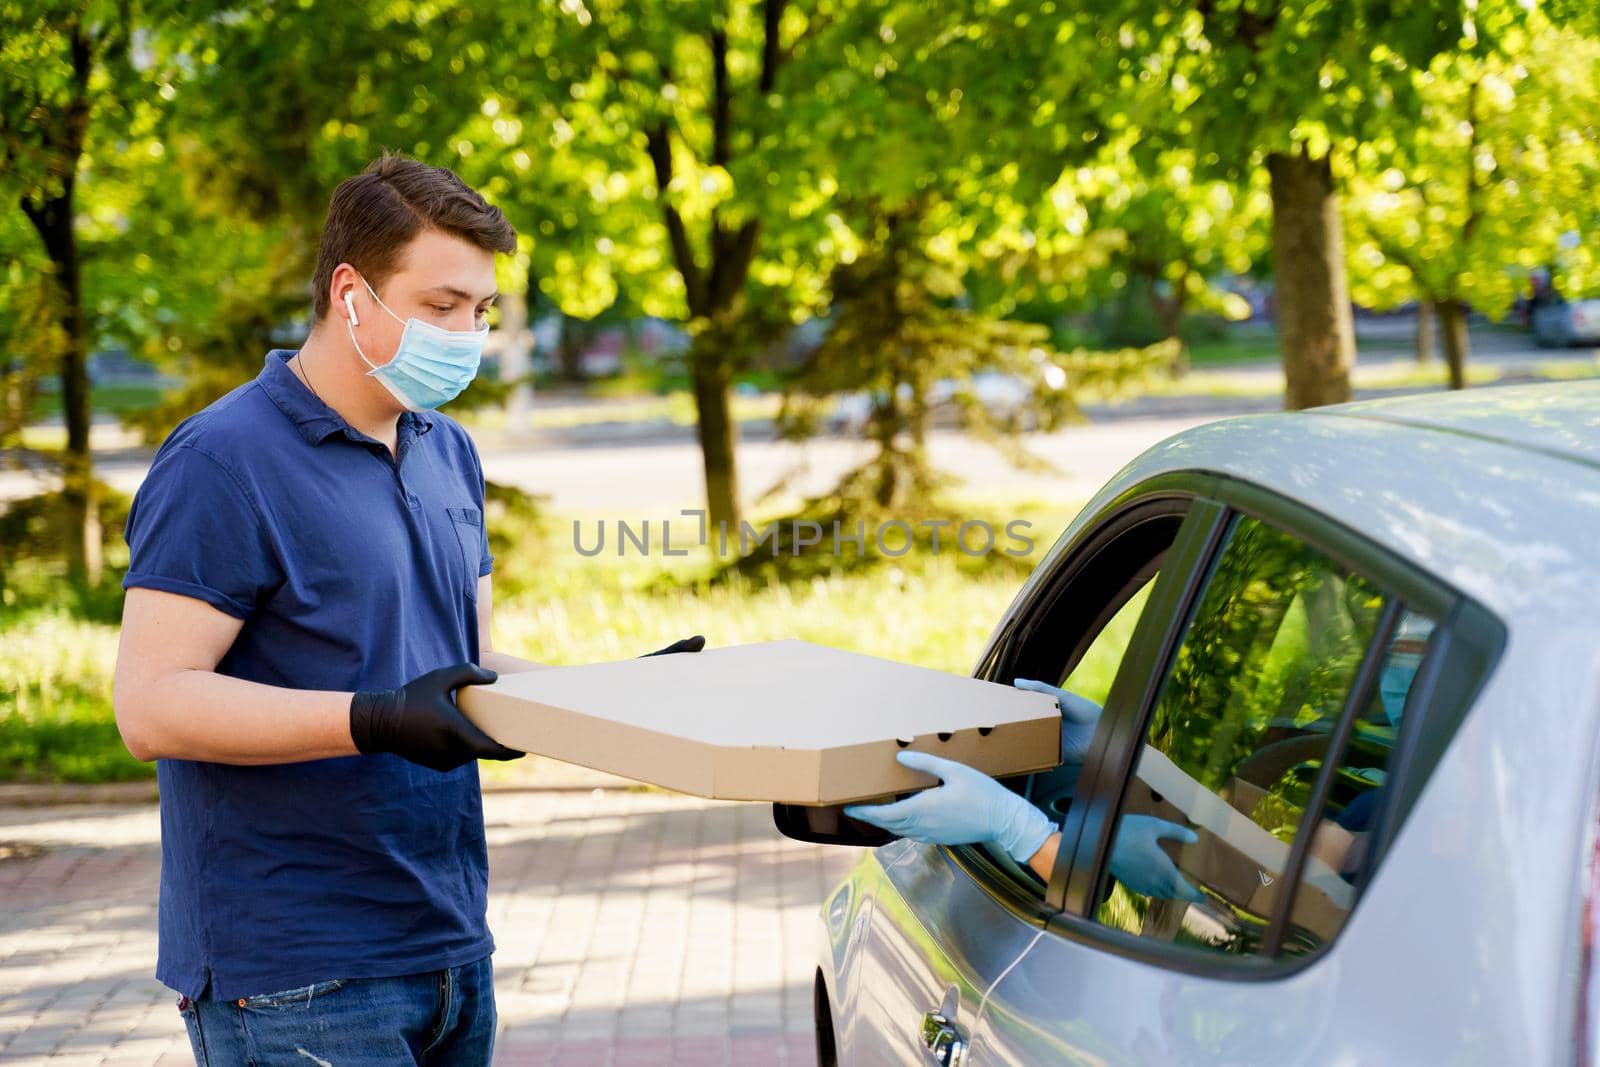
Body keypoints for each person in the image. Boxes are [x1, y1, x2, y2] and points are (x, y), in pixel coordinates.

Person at [112, 153, 701, 1066]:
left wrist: (613, 697)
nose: (468, 333)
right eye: (441, 306)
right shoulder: (222, 460)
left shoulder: (445, 450)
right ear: (351, 292)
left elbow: (464, 664)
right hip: (295, 971)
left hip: (450, 945)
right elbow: (149, 705)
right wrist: (376, 719)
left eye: (482, 310)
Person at [846, 678, 1204, 902]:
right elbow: (1241, 830)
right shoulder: (1259, 773)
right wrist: (1124, 750)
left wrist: (1019, 829)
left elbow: (1248, 885)